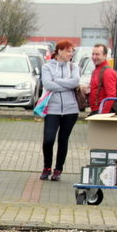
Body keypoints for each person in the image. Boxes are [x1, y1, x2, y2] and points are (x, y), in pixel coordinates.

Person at [39, 40, 79, 182]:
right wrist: (66, 84)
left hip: (71, 109)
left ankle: (58, 169)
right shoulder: (47, 67)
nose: (71, 54)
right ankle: (46, 167)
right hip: (52, 108)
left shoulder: (73, 66)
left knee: (63, 140)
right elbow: (48, 85)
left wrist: (58, 81)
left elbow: (75, 82)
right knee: (48, 139)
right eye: (68, 51)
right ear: (60, 51)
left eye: (72, 51)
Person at [88, 43, 117, 115]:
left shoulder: (107, 72)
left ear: (105, 56)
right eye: (93, 54)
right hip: (96, 110)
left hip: (102, 112)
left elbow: (111, 95)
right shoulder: (96, 70)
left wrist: (103, 114)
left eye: (97, 54)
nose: (94, 57)